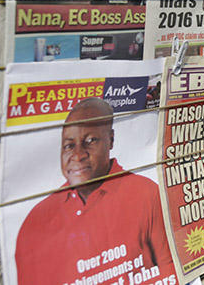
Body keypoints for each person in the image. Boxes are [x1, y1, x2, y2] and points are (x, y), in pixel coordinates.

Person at [15, 98, 174, 284]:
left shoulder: (146, 193)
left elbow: (170, 269)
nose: (78, 155)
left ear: (111, 140)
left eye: (90, 141)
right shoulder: (36, 220)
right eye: (69, 145)